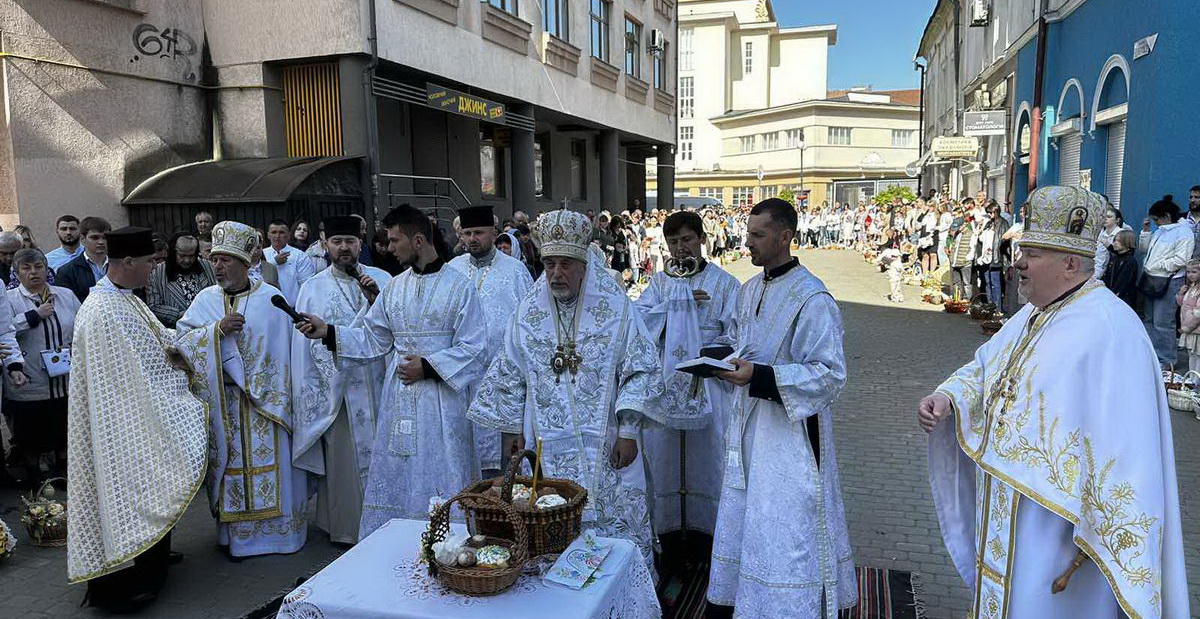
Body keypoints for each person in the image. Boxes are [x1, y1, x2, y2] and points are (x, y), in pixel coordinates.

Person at [920, 186, 1189, 619]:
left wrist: (1101, 527)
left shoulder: (1111, 329)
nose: (1019, 262)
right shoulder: (1034, 312)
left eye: (1033, 253)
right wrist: (948, 397)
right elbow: (987, 367)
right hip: (1012, 508)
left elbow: (1131, 454)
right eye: (1022, 250)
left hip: (1061, 523)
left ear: (1069, 263)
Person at [468, 208, 660, 563]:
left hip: (608, 441)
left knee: (615, 530)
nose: (556, 273)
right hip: (545, 442)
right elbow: (509, 372)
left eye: (566, 264)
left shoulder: (616, 308)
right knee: (548, 528)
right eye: (549, 263)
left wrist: (630, 430)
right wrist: (511, 431)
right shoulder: (528, 311)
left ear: (584, 264)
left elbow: (642, 368)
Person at [704, 198, 857, 618]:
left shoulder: (813, 299)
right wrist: (718, 358)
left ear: (785, 237)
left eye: (757, 235)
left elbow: (829, 374)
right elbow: (743, 340)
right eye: (747, 233)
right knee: (749, 518)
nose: (746, 243)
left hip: (790, 439)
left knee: (784, 525)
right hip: (748, 428)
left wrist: (760, 376)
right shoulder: (751, 288)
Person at [297, 205, 488, 540]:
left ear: (418, 240)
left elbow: (475, 348)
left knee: (442, 469)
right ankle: (398, 542)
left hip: (442, 403)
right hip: (399, 400)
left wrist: (428, 367)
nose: (387, 247)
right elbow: (373, 338)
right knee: (402, 470)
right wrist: (327, 331)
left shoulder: (460, 287)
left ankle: (448, 546)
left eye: (395, 239)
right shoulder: (395, 288)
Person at [67, 227, 206, 613]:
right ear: (127, 263)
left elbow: (157, 341)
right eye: (149, 263)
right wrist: (178, 372)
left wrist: (183, 347)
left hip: (138, 416)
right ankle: (126, 576)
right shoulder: (101, 311)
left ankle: (152, 551)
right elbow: (132, 372)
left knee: (151, 484)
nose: (154, 270)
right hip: (121, 426)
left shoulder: (126, 299)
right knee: (131, 492)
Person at [174, 221, 307, 558]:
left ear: (246, 264)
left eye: (226, 260)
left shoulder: (271, 299)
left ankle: (279, 536)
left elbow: (289, 350)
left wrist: (266, 389)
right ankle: (236, 538)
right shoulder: (206, 300)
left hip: (267, 405)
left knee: (274, 469)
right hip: (224, 403)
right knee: (230, 469)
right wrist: (215, 331)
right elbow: (181, 344)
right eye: (215, 260)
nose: (218, 267)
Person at [633, 211, 739, 543]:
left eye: (687, 239)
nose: (680, 248)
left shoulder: (725, 284)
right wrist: (675, 305)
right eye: (673, 241)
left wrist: (711, 354)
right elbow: (638, 322)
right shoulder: (662, 283)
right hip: (666, 387)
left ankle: (709, 536)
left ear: (703, 239)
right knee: (664, 462)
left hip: (708, 387)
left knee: (708, 462)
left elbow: (737, 336)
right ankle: (667, 534)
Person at [291, 216, 391, 545]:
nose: (344, 247)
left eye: (349, 240)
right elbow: (305, 349)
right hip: (339, 393)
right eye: (337, 241)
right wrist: (330, 378)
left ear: (360, 242)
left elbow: (395, 332)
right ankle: (346, 531)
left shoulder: (384, 280)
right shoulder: (312, 287)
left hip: (378, 387)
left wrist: (375, 301)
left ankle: (388, 526)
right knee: (343, 466)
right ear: (325, 244)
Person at [445, 205, 533, 474]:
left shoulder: (516, 271)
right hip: (462, 378)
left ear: (494, 233)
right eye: (467, 233)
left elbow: (528, 323)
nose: (472, 239)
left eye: (479, 233)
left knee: (503, 465)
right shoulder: (451, 269)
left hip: (502, 378)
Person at [3, 249, 79, 488]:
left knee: (64, 428)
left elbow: (81, 326)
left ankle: (64, 473)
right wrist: (34, 315)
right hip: (29, 379)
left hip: (64, 379)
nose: (33, 272)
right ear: (16, 272)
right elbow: (5, 330)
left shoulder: (65, 295)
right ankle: (34, 477)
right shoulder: (10, 298)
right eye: (26, 268)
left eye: (38, 266)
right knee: (30, 434)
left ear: (47, 270)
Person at [1139, 195, 1194, 368]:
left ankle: (1167, 360)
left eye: (1157, 219)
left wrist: (1159, 265)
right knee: (1149, 319)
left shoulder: (1183, 232)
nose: (1155, 222)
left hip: (1168, 281)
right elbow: (1144, 250)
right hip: (1151, 278)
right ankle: (1152, 354)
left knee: (1163, 322)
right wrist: (1146, 232)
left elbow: (1182, 259)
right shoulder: (1160, 231)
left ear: (1167, 216)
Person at [147, 232, 216, 327]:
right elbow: (153, 307)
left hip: (209, 326)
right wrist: (182, 315)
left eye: (191, 256)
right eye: (182, 256)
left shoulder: (207, 266)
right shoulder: (157, 273)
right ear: (173, 253)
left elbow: (217, 294)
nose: (187, 260)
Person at [54, 216, 111, 303]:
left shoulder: (121, 266)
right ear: (82, 239)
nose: (101, 242)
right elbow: (66, 304)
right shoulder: (67, 271)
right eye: (95, 238)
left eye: (105, 237)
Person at [264, 219, 317, 304]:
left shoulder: (300, 256)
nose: (277, 236)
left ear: (288, 235)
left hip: (293, 309)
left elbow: (307, 285)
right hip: (266, 308)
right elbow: (255, 279)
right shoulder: (261, 254)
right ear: (268, 235)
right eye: (274, 232)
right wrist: (274, 262)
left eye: (281, 232)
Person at [1100, 229, 1138, 310]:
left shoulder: (1130, 261)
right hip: (1111, 296)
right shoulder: (1116, 257)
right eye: (1115, 240)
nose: (1115, 243)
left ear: (1127, 242)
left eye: (1119, 241)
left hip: (1122, 300)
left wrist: (1114, 295)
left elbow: (1123, 283)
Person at [1093, 204, 1132, 280]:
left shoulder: (1123, 234)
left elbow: (1127, 254)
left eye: (1109, 217)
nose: (1105, 219)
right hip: (1101, 271)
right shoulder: (1100, 233)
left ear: (1117, 220)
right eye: (1104, 217)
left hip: (1117, 272)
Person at [1178, 260, 1200, 378]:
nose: (1190, 274)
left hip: (1196, 330)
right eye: (1188, 272)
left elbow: (1198, 314)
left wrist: (1186, 328)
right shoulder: (1191, 287)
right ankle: (1192, 380)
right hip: (1190, 330)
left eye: (1194, 272)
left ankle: (1197, 382)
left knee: (1198, 356)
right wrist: (1181, 294)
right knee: (1191, 355)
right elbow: (1183, 304)